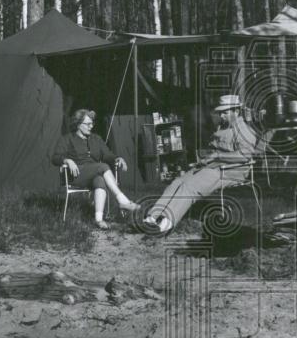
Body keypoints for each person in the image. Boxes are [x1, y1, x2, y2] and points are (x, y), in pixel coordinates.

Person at [142, 95, 258, 234]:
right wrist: (207, 158)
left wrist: (217, 156)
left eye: (225, 112)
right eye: (220, 112)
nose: (221, 116)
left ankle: (166, 223)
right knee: (177, 182)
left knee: (189, 187)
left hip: (230, 171)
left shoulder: (244, 131)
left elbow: (245, 156)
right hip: (213, 166)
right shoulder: (224, 127)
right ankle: (152, 218)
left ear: (236, 111)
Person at [51, 109, 140, 230]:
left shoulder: (96, 139)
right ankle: (122, 200)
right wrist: (67, 160)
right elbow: (55, 158)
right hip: (76, 175)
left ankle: (98, 219)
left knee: (100, 180)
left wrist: (117, 158)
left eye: (92, 123)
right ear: (78, 124)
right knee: (103, 167)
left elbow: (107, 155)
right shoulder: (67, 139)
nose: (91, 126)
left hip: (93, 173)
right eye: (87, 124)